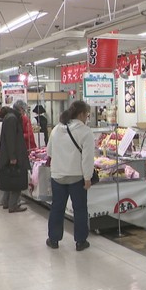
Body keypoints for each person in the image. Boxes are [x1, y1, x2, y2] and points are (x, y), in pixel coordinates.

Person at [46, 101, 94, 251]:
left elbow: (49, 152)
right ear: (81, 114)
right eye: (87, 114)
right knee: (80, 209)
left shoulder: (57, 129)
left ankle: (53, 239)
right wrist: (88, 178)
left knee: (57, 208)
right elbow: (87, 158)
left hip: (58, 176)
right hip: (77, 177)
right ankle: (80, 241)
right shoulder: (85, 132)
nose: (87, 118)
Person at [0, 101, 31, 213]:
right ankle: (13, 205)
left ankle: (6, 202)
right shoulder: (12, 119)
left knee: (9, 179)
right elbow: (11, 139)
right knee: (17, 180)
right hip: (14, 155)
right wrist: (13, 156)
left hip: (10, 155)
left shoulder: (10, 117)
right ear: (20, 109)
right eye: (24, 110)